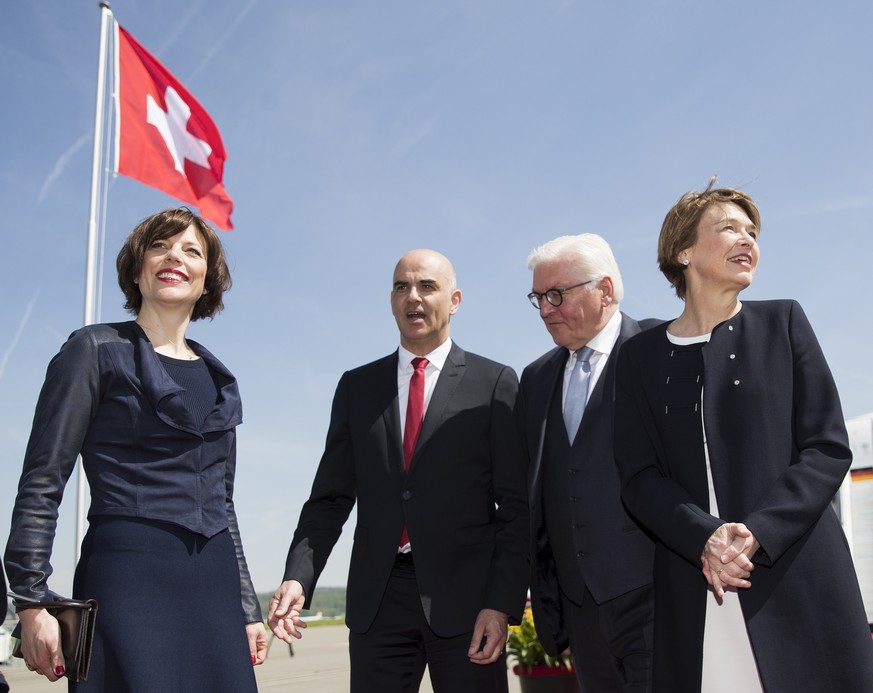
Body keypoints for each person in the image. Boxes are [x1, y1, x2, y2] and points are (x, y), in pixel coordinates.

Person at [613, 183, 873, 691]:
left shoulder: (786, 322)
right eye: (729, 227)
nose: (747, 239)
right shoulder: (640, 356)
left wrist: (758, 532)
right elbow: (639, 477)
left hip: (794, 576)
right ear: (682, 251)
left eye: (752, 232)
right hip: (697, 589)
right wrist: (703, 537)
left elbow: (826, 446)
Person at [4, 208, 268, 691]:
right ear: (136, 266)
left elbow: (222, 504)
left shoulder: (219, 379)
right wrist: (29, 598)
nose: (175, 258)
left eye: (192, 251)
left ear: (208, 278)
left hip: (214, 587)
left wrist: (248, 609)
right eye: (160, 246)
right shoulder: (94, 350)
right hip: (127, 580)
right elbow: (43, 478)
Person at [269, 249, 529, 693]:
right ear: (391, 300)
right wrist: (298, 575)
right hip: (379, 600)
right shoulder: (357, 387)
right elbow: (330, 499)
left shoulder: (495, 383)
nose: (413, 297)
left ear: (455, 300)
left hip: (467, 604)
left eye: (427, 286)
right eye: (401, 287)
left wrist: (500, 605)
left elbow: (518, 506)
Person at [520, 234, 657, 692]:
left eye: (557, 295)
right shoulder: (536, 378)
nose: (545, 310)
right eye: (539, 297)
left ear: (606, 289)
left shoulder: (661, 350)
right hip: (580, 611)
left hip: (657, 597)